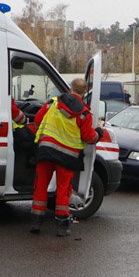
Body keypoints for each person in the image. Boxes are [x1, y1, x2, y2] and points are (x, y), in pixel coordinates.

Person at [30, 79, 99, 237]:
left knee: (40, 186)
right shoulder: (84, 113)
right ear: (84, 92)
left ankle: (36, 222)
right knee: (63, 189)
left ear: (70, 89)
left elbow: (38, 120)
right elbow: (88, 137)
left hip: (46, 151)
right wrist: (99, 134)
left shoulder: (53, 103)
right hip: (67, 156)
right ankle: (62, 226)